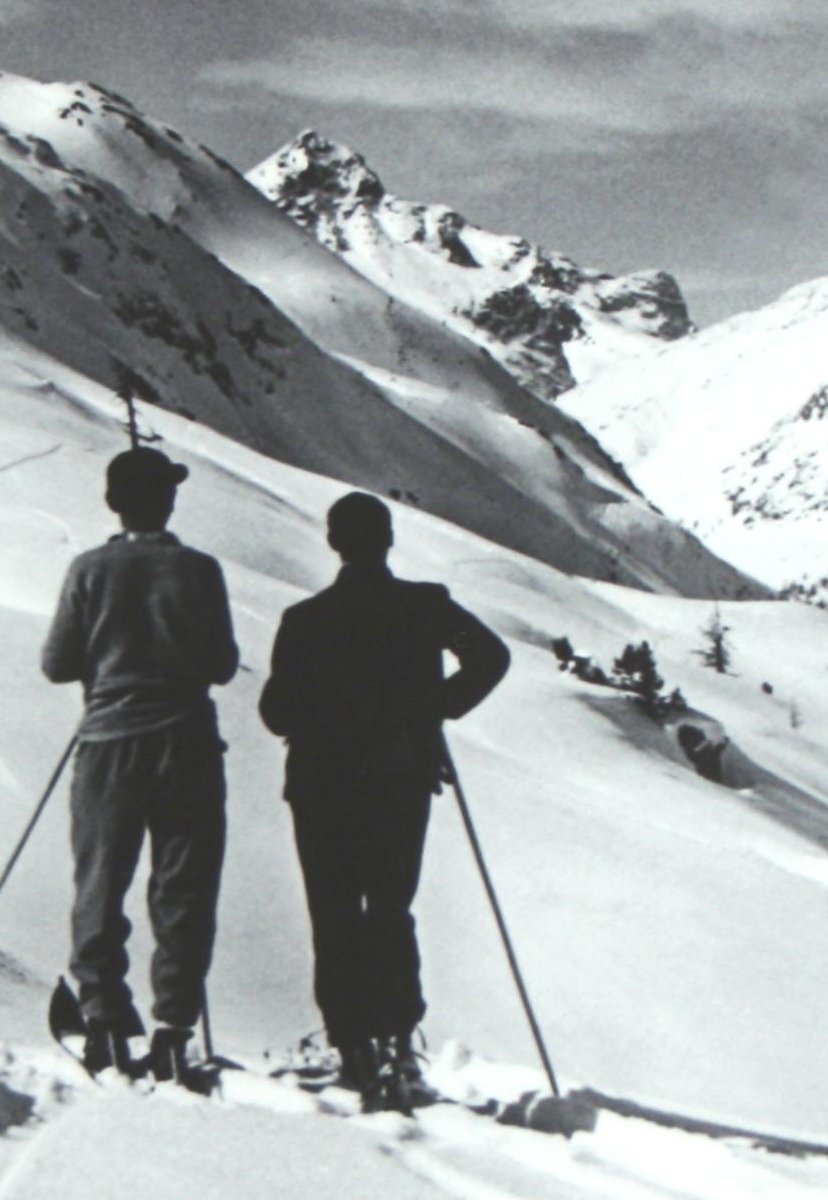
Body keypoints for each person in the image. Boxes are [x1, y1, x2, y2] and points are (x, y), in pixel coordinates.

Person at [259, 491, 511, 1109]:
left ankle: (353, 1049)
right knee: (392, 908)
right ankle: (398, 1041)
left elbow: (275, 711)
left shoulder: (306, 619)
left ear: (333, 542)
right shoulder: (425, 606)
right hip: (400, 774)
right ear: (388, 539)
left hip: (322, 784)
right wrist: (434, 711)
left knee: (335, 911)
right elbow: (491, 657)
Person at [39, 445, 238, 1088]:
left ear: (111, 503)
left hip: (109, 741)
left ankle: (103, 1022)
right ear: (169, 500)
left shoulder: (88, 569)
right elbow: (222, 665)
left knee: (101, 882)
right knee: (183, 890)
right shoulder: (199, 570)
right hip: (186, 741)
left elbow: (57, 663)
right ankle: (174, 1029)